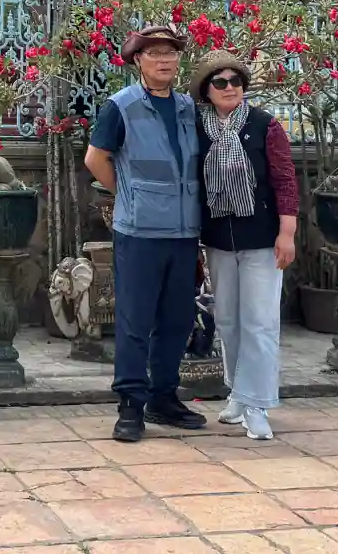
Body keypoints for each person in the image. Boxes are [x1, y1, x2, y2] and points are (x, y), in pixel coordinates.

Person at [83, 25, 207, 442]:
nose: (164, 60)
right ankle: (130, 405)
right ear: (138, 60)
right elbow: (95, 158)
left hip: (184, 230)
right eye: (154, 53)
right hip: (139, 231)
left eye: (170, 53)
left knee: (177, 319)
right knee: (135, 320)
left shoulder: (190, 107)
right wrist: (128, 193)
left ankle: (163, 397)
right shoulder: (121, 106)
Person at [192, 50, 298, 441]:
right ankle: (237, 392)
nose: (230, 87)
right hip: (219, 238)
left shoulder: (263, 125)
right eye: (220, 81)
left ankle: (257, 404)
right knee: (229, 321)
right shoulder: (197, 128)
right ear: (206, 89)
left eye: (236, 81)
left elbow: (285, 180)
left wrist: (287, 232)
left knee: (260, 322)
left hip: (262, 239)